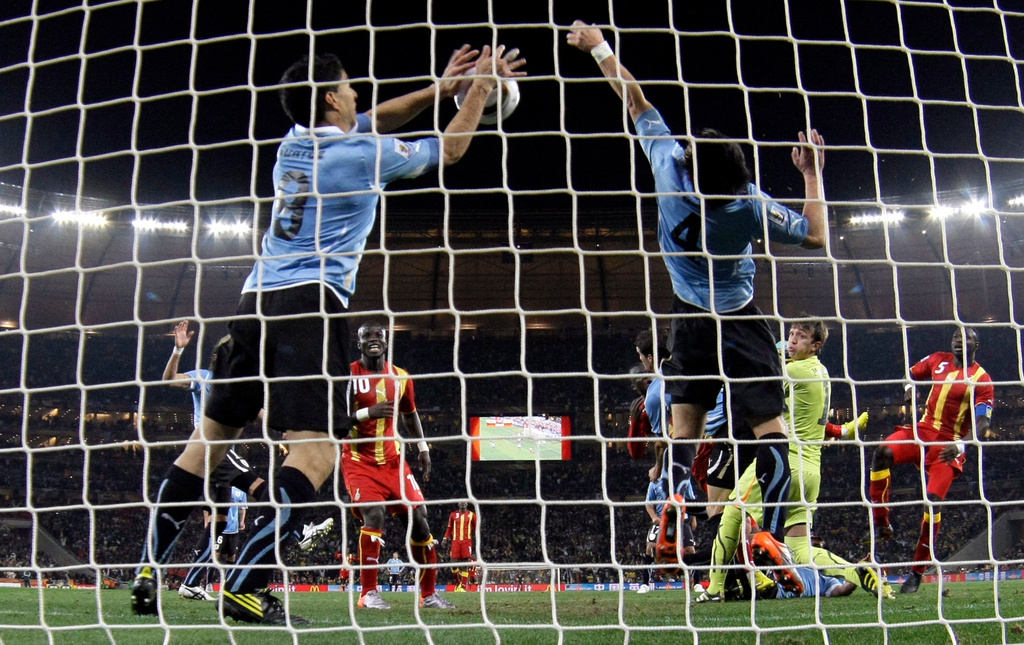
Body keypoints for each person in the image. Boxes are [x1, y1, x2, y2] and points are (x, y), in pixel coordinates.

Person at [130, 44, 527, 626]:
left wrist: (443, 89)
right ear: (328, 97)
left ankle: (147, 567)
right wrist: (480, 93)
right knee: (315, 451)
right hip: (309, 308)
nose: (358, 94)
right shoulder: (356, 156)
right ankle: (246, 586)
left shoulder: (295, 140)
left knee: (205, 444)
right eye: (347, 87)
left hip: (253, 300)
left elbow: (377, 118)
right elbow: (452, 148)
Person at [567, 22, 827, 552]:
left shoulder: (669, 170)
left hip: (687, 319)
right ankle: (771, 537)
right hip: (740, 318)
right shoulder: (748, 205)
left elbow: (635, 100)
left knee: (684, 430)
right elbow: (815, 236)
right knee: (770, 428)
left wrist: (598, 46)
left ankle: (673, 522)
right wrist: (812, 174)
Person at [697, 320, 884, 603]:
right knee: (800, 547)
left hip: (785, 463)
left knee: (732, 512)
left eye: (801, 336)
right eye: (792, 334)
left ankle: (714, 588)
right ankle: (855, 570)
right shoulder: (821, 372)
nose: (793, 340)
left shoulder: (792, 370)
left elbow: (753, 385)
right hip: (812, 471)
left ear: (816, 345)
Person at [867, 328, 993, 594]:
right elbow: (911, 373)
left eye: (966, 337)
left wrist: (961, 444)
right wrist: (909, 386)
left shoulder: (982, 379)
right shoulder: (938, 359)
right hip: (921, 431)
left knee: (932, 504)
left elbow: (983, 421)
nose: (959, 340)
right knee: (882, 453)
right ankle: (881, 520)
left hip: (948, 445)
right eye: (956, 337)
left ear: (976, 344)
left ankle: (916, 572)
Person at [346, 321, 452, 610]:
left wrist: (422, 447)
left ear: (386, 340)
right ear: (360, 344)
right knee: (375, 514)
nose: (373, 340)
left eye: (378, 335)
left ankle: (428, 594)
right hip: (359, 460)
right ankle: (368, 593)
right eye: (366, 336)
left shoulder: (401, 376)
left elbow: (410, 414)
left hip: (394, 462)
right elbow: (334, 422)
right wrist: (368, 412)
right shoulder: (349, 375)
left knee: (419, 520)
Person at [442, 501, 478, 592]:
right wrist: (445, 538)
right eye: (461, 502)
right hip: (455, 542)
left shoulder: (472, 515)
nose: (462, 503)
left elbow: (476, 530)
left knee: (465, 563)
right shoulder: (453, 515)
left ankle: (463, 586)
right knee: (453, 563)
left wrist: (476, 545)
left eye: (464, 502)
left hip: (467, 542)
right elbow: (449, 528)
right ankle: (458, 582)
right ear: (458, 504)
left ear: (467, 504)